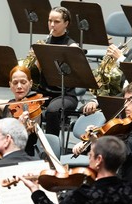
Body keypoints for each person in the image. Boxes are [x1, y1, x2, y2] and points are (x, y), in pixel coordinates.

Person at [73, 81, 132, 185]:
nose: (125, 105)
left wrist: (96, 142)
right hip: (121, 173)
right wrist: (87, 143)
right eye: (125, 100)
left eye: (130, 100)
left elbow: (122, 153)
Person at [33, 6, 79, 136]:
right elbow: (35, 76)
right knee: (18, 105)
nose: (52, 25)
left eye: (57, 21)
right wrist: (36, 60)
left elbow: (77, 77)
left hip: (65, 95)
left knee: (52, 111)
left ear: (66, 24)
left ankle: (51, 148)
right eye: (49, 21)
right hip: (43, 92)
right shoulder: (43, 44)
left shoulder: (72, 47)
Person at [4, 65, 41, 155]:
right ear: (10, 85)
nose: (19, 86)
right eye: (15, 83)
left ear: (31, 83)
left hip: (26, 155)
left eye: (23, 82)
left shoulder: (34, 107)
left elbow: (22, 141)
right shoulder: (9, 105)